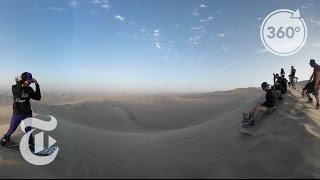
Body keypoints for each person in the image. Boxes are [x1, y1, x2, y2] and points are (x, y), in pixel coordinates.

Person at [0, 72, 41, 146]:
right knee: (11, 129)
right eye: (28, 81)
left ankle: (30, 143)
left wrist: (37, 85)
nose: (29, 83)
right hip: (17, 114)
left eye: (30, 81)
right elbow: (18, 95)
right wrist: (19, 82)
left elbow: (38, 97)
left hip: (27, 113)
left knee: (28, 130)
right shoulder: (14, 87)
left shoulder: (29, 89)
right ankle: (5, 138)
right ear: (22, 80)